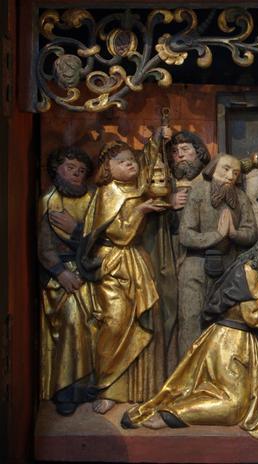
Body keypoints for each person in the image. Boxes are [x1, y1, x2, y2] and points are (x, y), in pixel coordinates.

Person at [122, 233, 258, 439]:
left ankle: (177, 411)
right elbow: (253, 316)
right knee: (233, 405)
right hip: (226, 343)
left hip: (248, 347)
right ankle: (171, 415)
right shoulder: (246, 273)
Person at [78, 131, 170, 414]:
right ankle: (106, 386)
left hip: (135, 261)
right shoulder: (109, 192)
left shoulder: (135, 187)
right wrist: (141, 211)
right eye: (122, 161)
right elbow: (119, 234)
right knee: (115, 324)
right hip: (112, 263)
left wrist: (157, 138)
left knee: (144, 321)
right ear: (108, 168)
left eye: (132, 159)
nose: (130, 164)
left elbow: (150, 162)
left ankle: (138, 389)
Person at [143, 130, 211, 372]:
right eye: (174, 152)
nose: (180, 155)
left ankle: (198, 371)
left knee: (197, 316)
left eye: (186, 150)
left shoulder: (210, 181)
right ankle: (175, 371)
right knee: (172, 315)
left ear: (199, 153)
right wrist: (167, 203)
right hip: (169, 256)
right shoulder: (165, 183)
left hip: (203, 258)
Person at [178, 153, 258, 357]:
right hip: (196, 265)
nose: (231, 176)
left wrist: (234, 234)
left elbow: (251, 233)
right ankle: (188, 372)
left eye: (236, 173)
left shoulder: (240, 197)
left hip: (228, 266)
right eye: (226, 169)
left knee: (224, 321)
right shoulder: (198, 191)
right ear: (213, 169)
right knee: (191, 319)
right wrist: (217, 235)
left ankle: (217, 371)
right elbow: (186, 235)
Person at [38, 147, 96, 415]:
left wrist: (77, 230)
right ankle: (67, 388)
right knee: (73, 320)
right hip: (61, 277)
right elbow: (44, 247)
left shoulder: (92, 198)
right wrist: (61, 272)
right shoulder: (49, 200)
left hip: (91, 269)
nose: (76, 174)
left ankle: (93, 384)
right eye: (70, 168)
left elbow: (101, 237)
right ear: (56, 170)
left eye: (81, 171)